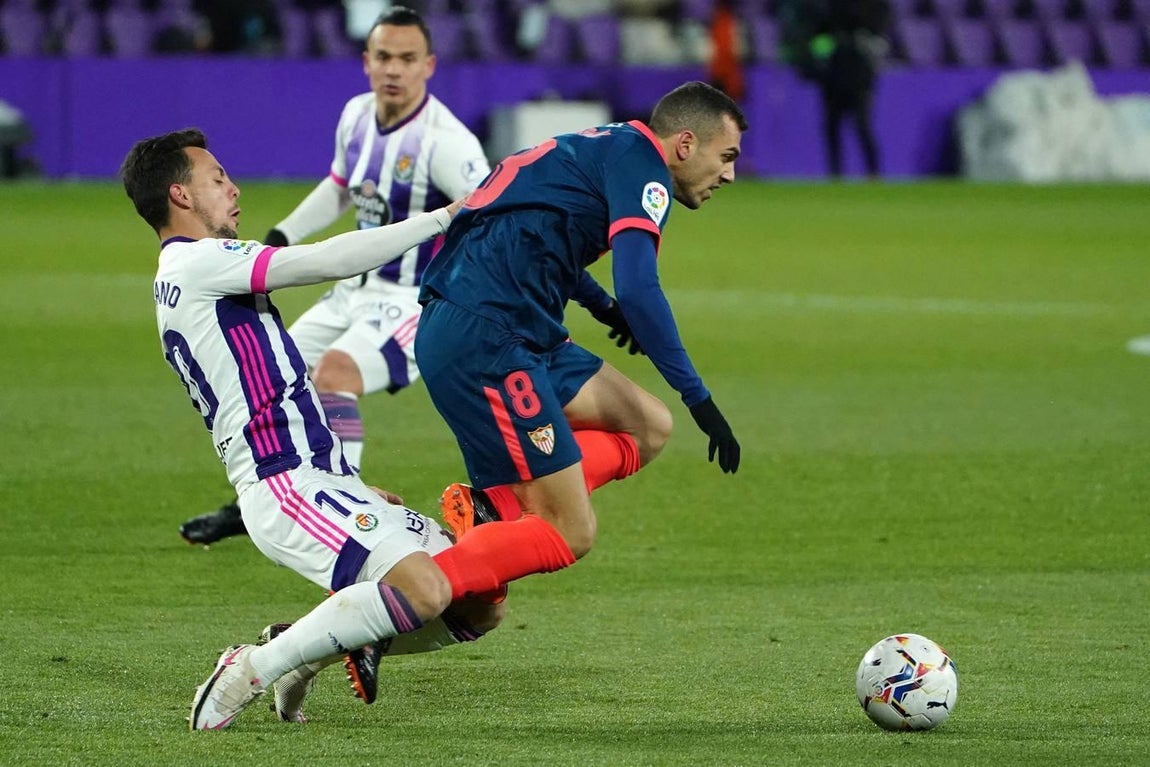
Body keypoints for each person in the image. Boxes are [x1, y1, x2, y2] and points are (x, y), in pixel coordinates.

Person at [122, 127, 502, 729]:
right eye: (217, 178)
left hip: (319, 475)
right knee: (426, 591)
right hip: (282, 483)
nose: (233, 188)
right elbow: (326, 260)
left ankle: (305, 647)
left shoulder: (182, 273)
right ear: (181, 195)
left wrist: (348, 481)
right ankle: (252, 667)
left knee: (479, 602)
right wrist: (443, 218)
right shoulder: (197, 262)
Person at [414, 81, 744, 605]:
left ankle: (494, 508)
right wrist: (698, 397)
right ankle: (393, 595)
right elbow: (640, 288)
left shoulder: (608, 144)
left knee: (648, 425)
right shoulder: (648, 174)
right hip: (488, 336)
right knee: (567, 531)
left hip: (519, 326)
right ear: (685, 144)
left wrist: (603, 308)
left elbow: (543, 234)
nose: (729, 174)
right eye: (726, 157)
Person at [179, 6, 490, 546]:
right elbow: (341, 186)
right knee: (271, 377)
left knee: (335, 376)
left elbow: (489, 216)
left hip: (415, 300)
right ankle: (252, 503)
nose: (394, 69)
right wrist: (282, 235)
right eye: (384, 57)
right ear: (367, 61)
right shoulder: (356, 115)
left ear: (429, 66)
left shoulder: (448, 143)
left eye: (407, 59)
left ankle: (350, 511)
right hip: (355, 288)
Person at [810, 0, 890, 178]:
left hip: (859, 76)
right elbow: (819, 37)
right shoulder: (830, 6)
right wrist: (824, 55)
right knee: (832, 127)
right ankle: (836, 174)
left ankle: (873, 173)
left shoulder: (874, 6)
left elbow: (879, 38)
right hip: (834, 76)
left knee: (862, 126)